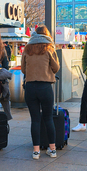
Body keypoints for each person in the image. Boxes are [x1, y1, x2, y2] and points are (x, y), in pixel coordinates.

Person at [21, 25, 60, 160]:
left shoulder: (27, 48)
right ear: (47, 34)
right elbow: (56, 68)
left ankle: (36, 151)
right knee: (48, 118)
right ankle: (53, 150)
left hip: (31, 87)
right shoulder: (49, 48)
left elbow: (23, 69)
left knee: (35, 120)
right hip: (45, 88)